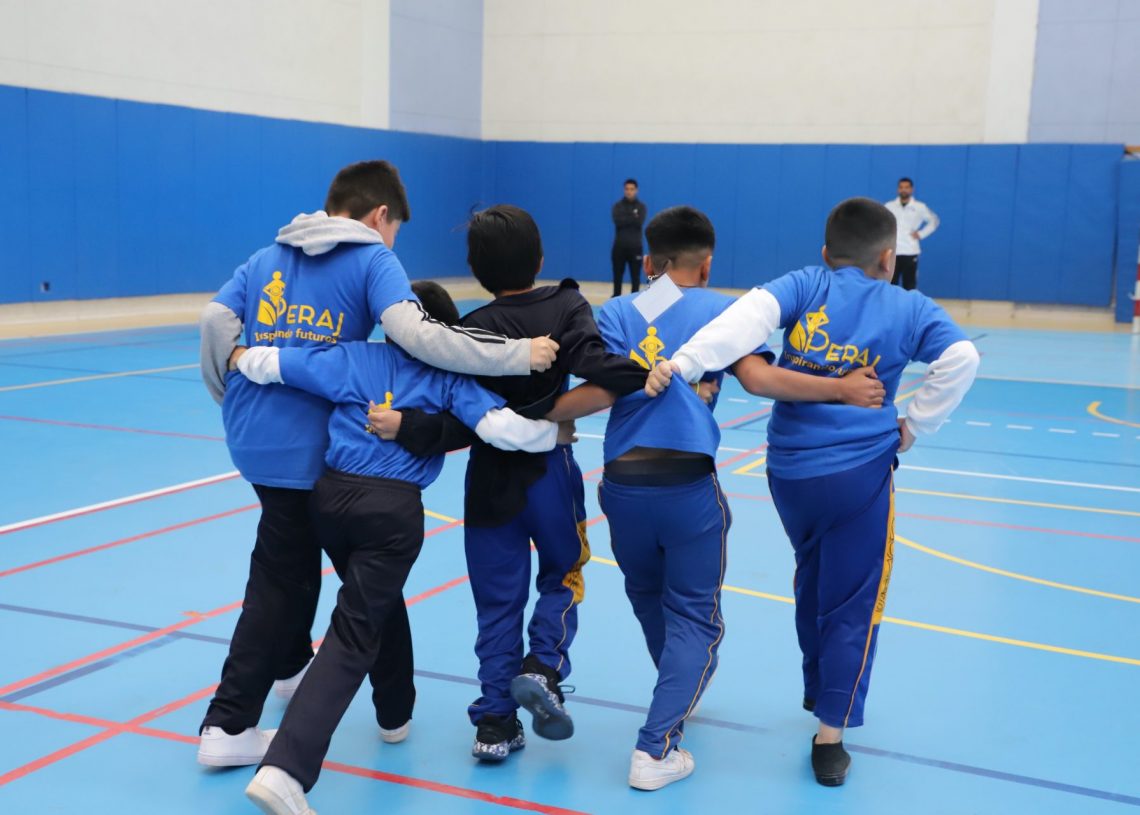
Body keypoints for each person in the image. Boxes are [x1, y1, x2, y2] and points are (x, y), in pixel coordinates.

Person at [195, 160, 559, 768]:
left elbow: (214, 320)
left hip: (252, 432)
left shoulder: (267, 256)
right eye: (394, 231)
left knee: (292, 561)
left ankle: (291, 668)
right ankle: (233, 723)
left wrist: (226, 388)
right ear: (380, 215)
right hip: (313, 445)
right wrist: (515, 354)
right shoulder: (370, 256)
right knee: (325, 583)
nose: (393, 243)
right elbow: (419, 335)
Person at [546, 206, 886, 791]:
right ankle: (654, 748)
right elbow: (759, 380)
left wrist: (538, 415)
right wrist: (840, 390)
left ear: (648, 263)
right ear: (706, 265)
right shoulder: (727, 310)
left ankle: (678, 691)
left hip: (623, 486)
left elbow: (599, 392)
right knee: (695, 621)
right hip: (686, 488)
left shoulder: (621, 310)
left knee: (648, 597)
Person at [646, 197, 979, 787]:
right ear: (889, 258)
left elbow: (744, 319)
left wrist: (685, 361)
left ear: (826, 253)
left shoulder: (805, 284)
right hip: (859, 474)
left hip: (790, 474)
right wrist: (915, 425)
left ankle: (816, 684)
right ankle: (831, 734)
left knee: (812, 576)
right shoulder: (909, 306)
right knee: (854, 601)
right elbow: (961, 356)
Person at [230, 287, 561, 815]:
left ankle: (394, 713)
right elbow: (504, 431)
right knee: (354, 632)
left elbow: (275, 365)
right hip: (389, 513)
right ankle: (285, 769)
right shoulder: (450, 377)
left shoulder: (354, 357)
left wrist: (238, 356)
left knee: (376, 604)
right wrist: (554, 433)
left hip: (329, 501)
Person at [368, 205, 648, 762]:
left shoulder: (469, 332)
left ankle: (494, 723)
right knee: (564, 573)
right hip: (550, 474)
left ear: (477, 271)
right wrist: (647, 374)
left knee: (497, 603)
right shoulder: (567, 304)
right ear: (540, 259)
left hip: (489, 483)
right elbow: (595, 362)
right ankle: (543, 666)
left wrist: (408, 426)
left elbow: (454, 420)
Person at [884, 177, 939, 290]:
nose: (904, 190)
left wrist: (921, 234)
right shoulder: (889, 206)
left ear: (911, 189)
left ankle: (908, 302)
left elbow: (934, 221)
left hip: (910, 251)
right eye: (901, 187)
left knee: (909, 286)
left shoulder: (919, 207)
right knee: (890, 285)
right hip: (892, 252)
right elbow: (880, 222)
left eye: (906, 187)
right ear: (898, 189)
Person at [612, 179, 647, 297]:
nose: (629, 191)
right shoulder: (617, 206)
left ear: (636, 190)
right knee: (617, 276)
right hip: (619, 247)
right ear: (624, 190)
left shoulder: (641, 207)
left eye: (632, 189)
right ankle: (616, 298)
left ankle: (634, 302)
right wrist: (633, 216)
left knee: (635, 277)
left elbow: (639, 222)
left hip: (635, 247)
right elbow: (618, 222)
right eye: (627, 189)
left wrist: (627, 217)